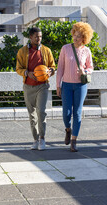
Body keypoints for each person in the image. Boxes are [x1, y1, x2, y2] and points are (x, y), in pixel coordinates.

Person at [16, 27, 55, 150]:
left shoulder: (46, 50)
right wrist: (27, 73)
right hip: (28, 86)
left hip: (42, 86)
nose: (39, 39)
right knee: (32, 115)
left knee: (41, 112)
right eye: (37, 37)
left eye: (40, 37)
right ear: (30, 37)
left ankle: (42, 138)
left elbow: (53, 66)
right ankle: (35, 139)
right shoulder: (22, 52)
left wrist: (50, 71)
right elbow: (18, 69)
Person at [56, 22, 94, 152]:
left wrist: (86, 72)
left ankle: (74, 141)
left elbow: (90, 67)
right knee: (66, 113)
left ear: (84, 38)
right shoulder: (65, 48)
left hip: (81, 86)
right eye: (75, 35)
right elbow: (60, 67)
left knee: (77, 113)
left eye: (79, 36)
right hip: (66, 85)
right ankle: (68, 129)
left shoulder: (86, 51)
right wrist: (58, 85)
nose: (75, 38)